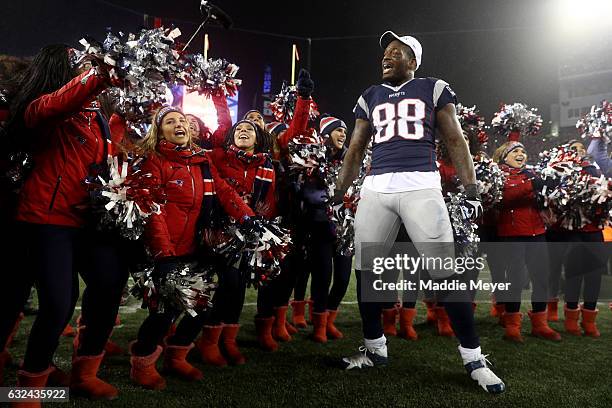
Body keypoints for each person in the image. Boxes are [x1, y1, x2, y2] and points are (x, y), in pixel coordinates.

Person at [332, 31, 504, 394]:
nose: (387, 56)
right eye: (385, 52)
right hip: (375, 187)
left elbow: (455, 139)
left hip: (421, 186)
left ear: (413, 61)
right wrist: (338, 193)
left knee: (445, 275)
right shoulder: (370, 95)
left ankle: (473, 358)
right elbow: (355, 148)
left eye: (397, 52)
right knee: (366, 272)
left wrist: (471, 189)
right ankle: (374, 348)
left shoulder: (433, 87)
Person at [0, 45, 128, 405]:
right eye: (79, 63)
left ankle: (84, 372)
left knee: (108, 284)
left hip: (84, 219)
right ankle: (28, 385)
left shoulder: (95, 115)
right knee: (58, 302)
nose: (86, 66)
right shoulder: (40, 105)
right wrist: (100, 74)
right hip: (45, 218)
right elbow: (60, 103)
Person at [128, 106, 253, 389]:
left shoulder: (201, 160)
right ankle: (142, 363)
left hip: (194, 248)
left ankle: (177, 355)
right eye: (170, 121)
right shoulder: (154, 160)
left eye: (182, 120)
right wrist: (164, 255)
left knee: (204, 305)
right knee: (164, 312)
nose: (179, 124)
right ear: (159, 131)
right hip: (163, 251)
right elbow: (152, 211)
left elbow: (224, 191)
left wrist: (248, 217)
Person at [199, 119, 277, 360]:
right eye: (239, 129)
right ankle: (209, 340)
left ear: (258, 138)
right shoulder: (218, 156)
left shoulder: (266, 165)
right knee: (227, 282)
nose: (243, 131)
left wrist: (261, 230)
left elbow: (269, 201)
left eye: (249, 129)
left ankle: (228, 339)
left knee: (239, 284)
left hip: (250, 231)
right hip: (219, 230)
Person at [492, 141, 561, 342]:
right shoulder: (497, 174)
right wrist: (532, 185)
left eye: (523, 150)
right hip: (512, 234)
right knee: (516, 280)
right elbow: (506, 196)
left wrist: (552, 191)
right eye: (515, 151)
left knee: (541, 279)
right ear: (504, 156)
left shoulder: (532, 174)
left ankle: (540, 324)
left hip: (537, 232)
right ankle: (512, 326)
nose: (521, 154)